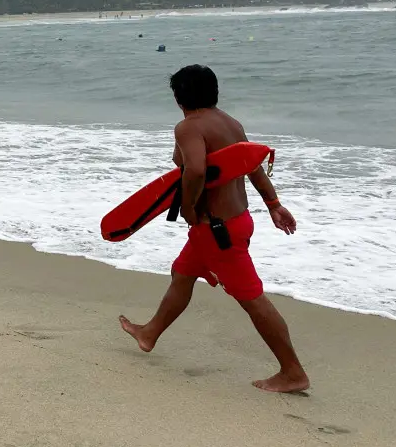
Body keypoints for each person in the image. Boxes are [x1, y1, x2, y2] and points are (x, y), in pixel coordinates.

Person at [119, 64, 310, 393]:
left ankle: (293, 372)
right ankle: (149, 334)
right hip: (235, 221)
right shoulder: (230, 123)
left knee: (253, 300)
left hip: (216, 230)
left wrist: (190, 208)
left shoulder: (188, 127)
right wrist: (274, 204)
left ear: (179, 98)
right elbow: (253, 166)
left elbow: (194, 170)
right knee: (182, 272)